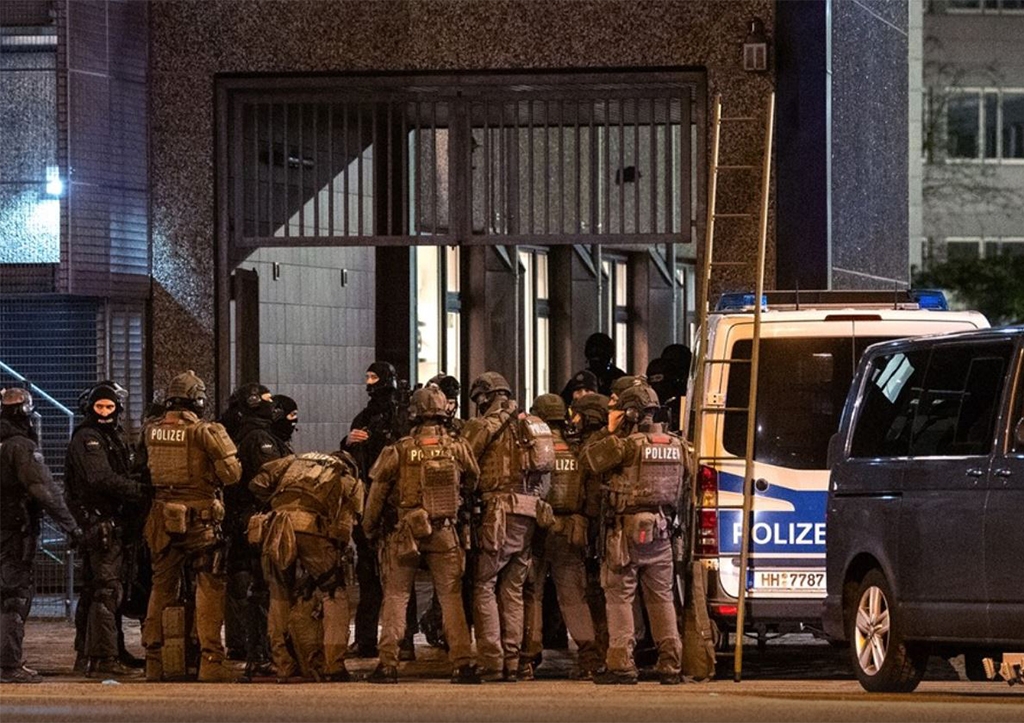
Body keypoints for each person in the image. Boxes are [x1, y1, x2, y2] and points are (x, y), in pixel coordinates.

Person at [363, 384, 481, 684]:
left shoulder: (400, 449)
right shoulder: (457, 446)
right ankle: (463, 663)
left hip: (405, 531)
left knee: (396, 596)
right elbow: (473, 479)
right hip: (445, 530)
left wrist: (369, 528)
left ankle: (388, 664)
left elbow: (377, 493)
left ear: (414, 413)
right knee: (451, 596)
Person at [138, 370, 242, 683]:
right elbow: (232, 475)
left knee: (161, 586)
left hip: (161, 518)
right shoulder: (206, 431)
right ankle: (211, 661)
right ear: (197, 400)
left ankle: (155, 661)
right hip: (201, 520)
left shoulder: (151, 430)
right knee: (210, 586)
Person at [582, 379, 689, 685]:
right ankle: (670, 664)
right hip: (662, 530)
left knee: (619, 596)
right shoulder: (678, 446)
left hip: (625, 532)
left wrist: (610, 430)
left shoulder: (625, 445)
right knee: (661, 598)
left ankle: (621, 664)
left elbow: (588, 461)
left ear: (631, 413)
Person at [249, 449, 363, 683]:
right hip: (312, 530)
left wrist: (278, 502)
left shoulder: (294, 461)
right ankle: (334, 665)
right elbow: (346, 524)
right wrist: (335, 552)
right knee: (334, 593)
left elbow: (257, 483)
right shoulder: (345, 475)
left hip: (277, 527)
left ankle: (283, 665)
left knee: (279, 595)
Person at [462, 371, 546, 682]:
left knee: (484, 584)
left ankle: (491, 661)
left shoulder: (484, 426)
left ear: (485, 397)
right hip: (528, 512)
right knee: (513, 589)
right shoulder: (532, 424)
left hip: (497, 513)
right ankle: (514, 661)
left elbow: (464, 463)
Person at [64, 381, 148, 677]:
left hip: (110, 522)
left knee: (100, 590)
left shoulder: (112, 436)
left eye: (109, 406)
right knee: (106, 591)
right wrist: (139, 491)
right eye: (99, 406)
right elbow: (99, 478)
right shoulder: (88, 438)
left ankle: (102, 652)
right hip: (100, 524)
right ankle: (102, 658)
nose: (104, 412)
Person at [0, 388, 83, 684]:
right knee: (13, 597)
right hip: (12, 532)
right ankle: (8, 664)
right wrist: (71, 527)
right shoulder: (20, 447)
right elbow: (43, 490)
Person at [520, 394, 600, 681]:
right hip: (570, 530)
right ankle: (589, 657)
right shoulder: (577, 449)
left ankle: (527, 659)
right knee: (574, 596)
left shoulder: (533, 448)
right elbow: (591, 496)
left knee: (533, 593)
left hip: (538, 529)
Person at [343, 362, 415, 660]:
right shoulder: (366, 417)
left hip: (395, 505)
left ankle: (403, 641)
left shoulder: (403, 417)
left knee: (399, 578)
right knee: (369, 575)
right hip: (369, 500)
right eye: (367, 377)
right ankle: (368, 639)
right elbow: (351, 455)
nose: (369, 382)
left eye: (374, 377)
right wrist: (349, 442)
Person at [225, 383, 289, 678]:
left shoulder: (243, 432)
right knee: (261, 587)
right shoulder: (258, 437)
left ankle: (250, 649)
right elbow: (271, 477)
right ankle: (260, 653)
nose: (271, 403)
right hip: (255, 518)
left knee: (248, 585)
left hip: (243, 518)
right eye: (266, 399)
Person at [562, 333, 627, 401]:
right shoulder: (581, 378)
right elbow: (564, 402)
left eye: (600, 351)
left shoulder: (619, 378)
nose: (596, 353)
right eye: (593, 352)